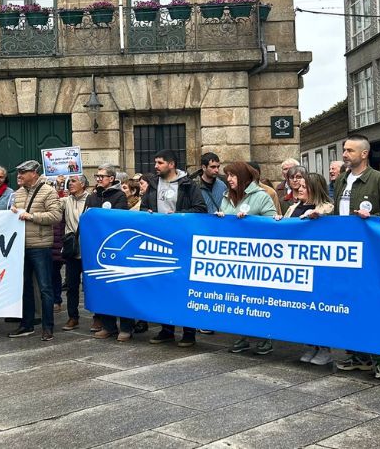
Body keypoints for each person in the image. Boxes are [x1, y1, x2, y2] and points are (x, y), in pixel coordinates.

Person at [331, 134, 380, 379]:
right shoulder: (341, 181)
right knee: (349, 303)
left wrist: (373, 217)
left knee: (373, 303)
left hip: (371, 254)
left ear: (364, 154)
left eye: (349, 150)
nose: (345, 154)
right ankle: (357, 354)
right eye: (344, 150)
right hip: (345, 254)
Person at [144, 150, 207, 348]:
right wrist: (148, 212)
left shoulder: (189, 185)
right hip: (159, 243)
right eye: (155, 162)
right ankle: (167, 329)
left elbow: (200, 209)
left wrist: (178, 215)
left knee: (184, 287)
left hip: (183, 243)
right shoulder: (153, 184)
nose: (156, 166)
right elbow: (144, 208)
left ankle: (189, 331)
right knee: (163, 287)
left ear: (171, 164)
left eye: (160, 162)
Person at [215, 161, 278, 355]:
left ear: (242, 177)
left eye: (233, 175)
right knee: (238, 297)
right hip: (234, 258)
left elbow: (273, 223)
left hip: (257, 257)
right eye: (228, 176)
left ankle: (266, 337)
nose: (229, 179)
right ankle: (242, 335)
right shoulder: (226, 197)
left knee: (260, 298)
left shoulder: (261, 196)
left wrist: (252, 221)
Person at [282, 169, 335, 366]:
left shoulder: (326, 208)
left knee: (318, 308)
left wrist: (317, 215)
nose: (299, 189)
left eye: (305, 187)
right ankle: (310, 345)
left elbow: (328, 222)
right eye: (300, 186)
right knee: (302, 308)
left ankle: (324, 348)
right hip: (296, 266)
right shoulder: (293, 207)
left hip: (318, 268)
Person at [8, 160, 62, 341]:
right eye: (19, 172)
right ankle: (26, 324)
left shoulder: (48, 191)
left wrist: (32, 216)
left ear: (34, 173)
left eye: (23, 172)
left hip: (40, 246)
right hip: (21, 246)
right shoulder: (18, 193)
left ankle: (48, 327)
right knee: (24, 288)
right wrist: (12, 212)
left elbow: (55, 215)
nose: (19, 175)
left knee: (45, 288)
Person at [87, 166, 133, 339]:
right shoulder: (93, 196)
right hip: (97, 246)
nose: (98, 179)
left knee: (121, 287)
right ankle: (108, 326)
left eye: (102, 176)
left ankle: (126, 327)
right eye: (97, 176)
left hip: (115, 246)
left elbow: (118, 219)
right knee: (102, 287)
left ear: (112, 178)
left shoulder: (119, 195)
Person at [62, 174, 89, 334]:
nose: (70, 183)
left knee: (91, 285)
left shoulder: (91, 200)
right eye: (69, 181)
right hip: (72, 249)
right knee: (72, 286)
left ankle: (98, 317)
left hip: (88, 249)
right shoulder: (66, 200)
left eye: (73, 181)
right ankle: (73, 316)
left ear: (83, 185)